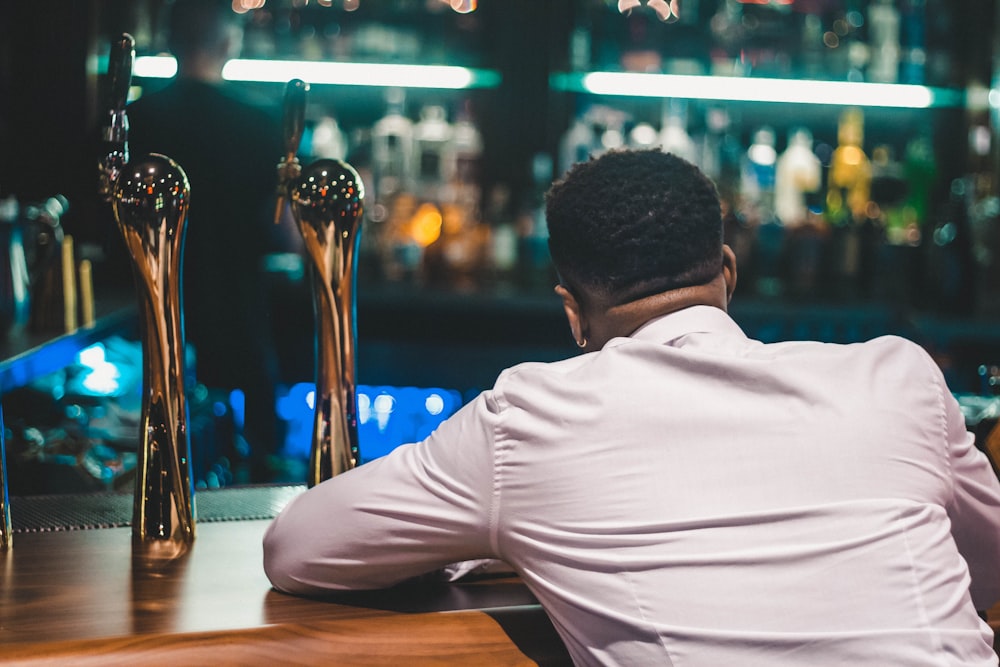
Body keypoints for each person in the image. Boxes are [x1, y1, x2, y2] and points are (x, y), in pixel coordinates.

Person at [263, 149, 1000, 666]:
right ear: (729, 273)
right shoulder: (897, 377)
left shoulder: (528, 421)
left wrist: (481, 542)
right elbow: (989, 572)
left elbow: (294, 547)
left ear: (573, 315)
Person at [125, 0, 295, 481]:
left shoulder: (135, 121)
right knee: (257, 469)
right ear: (229, 43)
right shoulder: (261, 125)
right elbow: (288, 236)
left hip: (147, 327)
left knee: (158, 465)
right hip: (240, 318)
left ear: (169, 42)